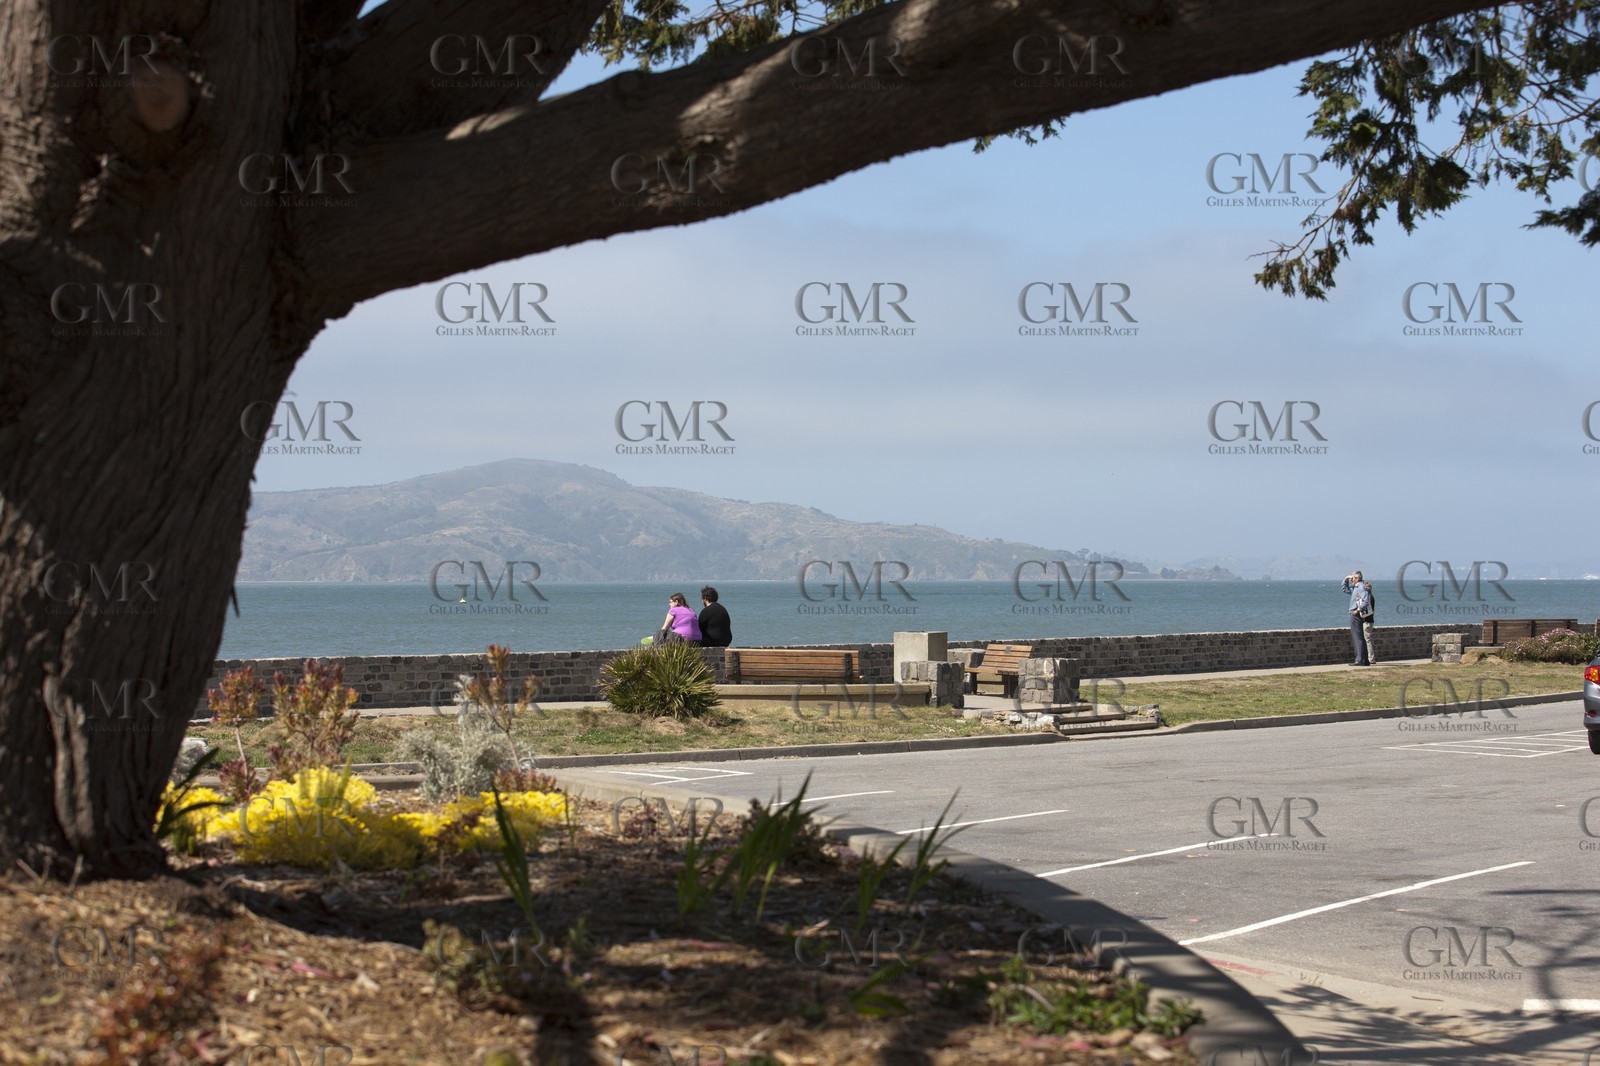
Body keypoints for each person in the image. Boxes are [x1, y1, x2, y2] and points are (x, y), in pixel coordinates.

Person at [1341, 571, 1371, 665]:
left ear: (1357, 578)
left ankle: (1359, 659)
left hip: (1356, 614)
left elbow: (1366, 601)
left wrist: (1357, 610)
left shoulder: (1360, 587)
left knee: (1357, 637)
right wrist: (1346, 578)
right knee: (1359, 636)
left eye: (1353, 578)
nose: (1351, 580)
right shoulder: (1356, 588)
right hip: (1356, 614)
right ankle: (1365, 660)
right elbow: (1345, 589)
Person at [1361, 579, 1378, 665]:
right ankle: (1369, 657)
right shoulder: (1372, 597)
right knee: (1368, 639)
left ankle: (1371, 658)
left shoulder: (1368, 597)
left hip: (1367, 621)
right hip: (1370, 620)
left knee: (1368, 640)